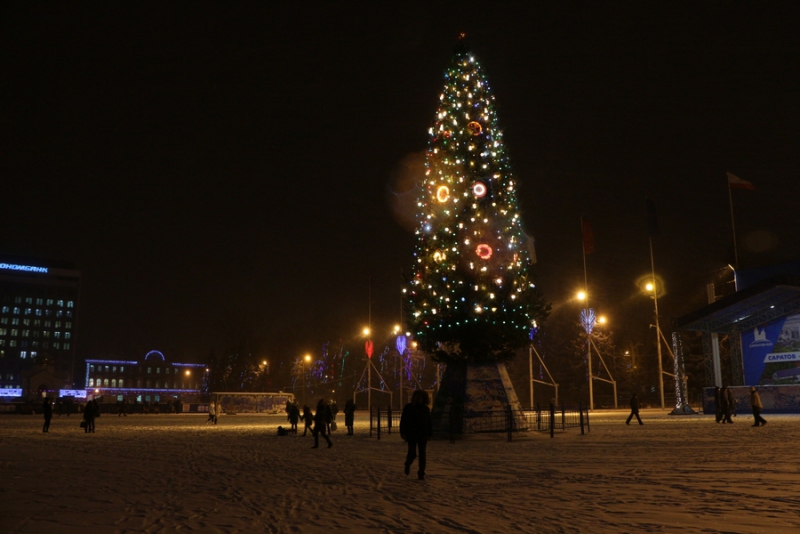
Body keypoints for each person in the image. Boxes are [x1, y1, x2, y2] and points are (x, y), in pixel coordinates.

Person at [400, 389, 433, 480]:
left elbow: (429, 422)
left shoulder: (425, 409)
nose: (420, 399)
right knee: (412, 452)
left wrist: (430, 433)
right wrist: (403, 432)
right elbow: (403, 421)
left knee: (422, 454)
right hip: (412, 433)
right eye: (418, 397)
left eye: (421, 397)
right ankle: (408, 463)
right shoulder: (409, 408)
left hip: (422, 434)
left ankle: (421, 473)